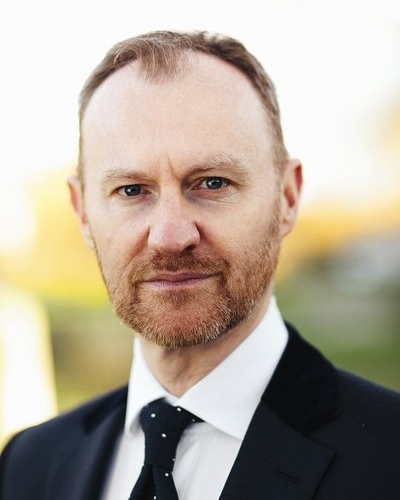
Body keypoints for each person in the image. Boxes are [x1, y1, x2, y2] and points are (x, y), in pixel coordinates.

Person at [0, 30, 399, 500]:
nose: (170, 237)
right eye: (131, 190)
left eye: (212, 183)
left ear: (287, 197)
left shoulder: (389, 454)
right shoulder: (27, 464)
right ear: (82, 211)